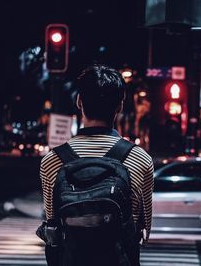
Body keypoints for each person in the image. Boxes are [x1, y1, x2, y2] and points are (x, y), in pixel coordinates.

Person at [38, 65, 154, 265]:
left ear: (79, 101)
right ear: (120, 106)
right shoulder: (140, 159)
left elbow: (52, 223)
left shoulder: (51, 161)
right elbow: (144, 229)